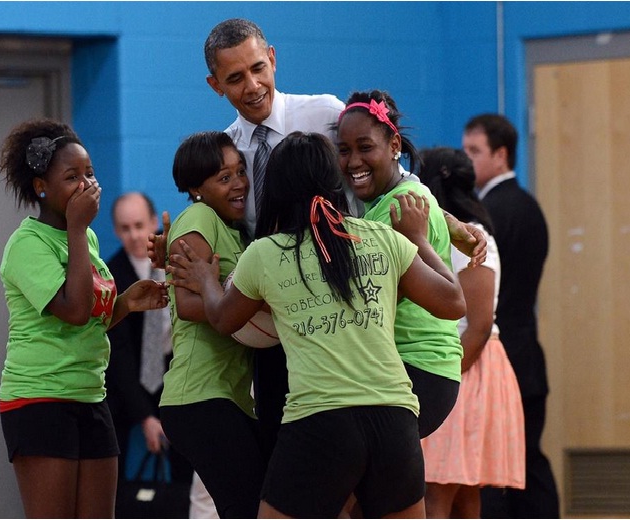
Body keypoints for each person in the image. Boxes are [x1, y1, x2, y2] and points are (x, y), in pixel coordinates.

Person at [195, 18, 486, 459]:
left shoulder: (325, 114)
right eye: (235, 78)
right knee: (289, 453)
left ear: (272, 59)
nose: (252, 85)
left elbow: (393, 178)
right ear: (216, 85)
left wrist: (453, 224)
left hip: (358, 319)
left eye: (258, 68)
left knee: (346, 460)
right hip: (285, 318)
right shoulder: (228, 151)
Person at [168, 131, 466, 518]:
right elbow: (453, 302)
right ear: (333, 182)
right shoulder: (382, 238)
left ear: (275, 188)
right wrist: (420, 240)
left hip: (320, 419)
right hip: (394, 419)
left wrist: (208, 282)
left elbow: (224, 319)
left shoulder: (265, 253)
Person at [0, 118, 169, 518]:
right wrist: (76, 228)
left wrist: (126, 303)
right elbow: (73, 311)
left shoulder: (86, 239)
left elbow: (92, 317)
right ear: (41, 187)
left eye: (89, 173)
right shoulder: (27, 244)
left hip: (90, 394)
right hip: (39, 398)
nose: (87, 184)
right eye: (72, 177)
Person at [336, 90, 475, 438]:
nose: (353, 161)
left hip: (416, 368)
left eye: (365, 147)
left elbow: (366, 298)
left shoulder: (401, 207)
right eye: (344, 150)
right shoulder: (388, 202)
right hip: (418, 369)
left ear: (394, 145)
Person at [158, 131, 265, 518]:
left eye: (240, 172)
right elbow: (187, 305)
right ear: (195, 188)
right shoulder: (199, 217)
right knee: (250, 509)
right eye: (224, 178)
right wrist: (259, 304)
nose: (239, 184)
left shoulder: (234, 228)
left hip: (227, 395)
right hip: (198, 396)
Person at [415, 147, 525, 518]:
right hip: (465, 364)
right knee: (460, 491)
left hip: (467, 364)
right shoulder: (458, 232)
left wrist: (441, 379)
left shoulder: (470, 237)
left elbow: (477, 327)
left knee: (439, 489)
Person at [462, 114, 559, 518]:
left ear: (500, 155)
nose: (467, 162)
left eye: (474, 152)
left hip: (503, 360)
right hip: (528, 357)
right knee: (528, 465)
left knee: (495, 475)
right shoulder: (529, 206)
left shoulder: (487, 216)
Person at [105, 192, 193, 497]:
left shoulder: (175, 261)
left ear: (154, 222)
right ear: (116, 230)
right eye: (125, 228)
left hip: (172, 374)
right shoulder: (111, 273)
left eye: (139, 225)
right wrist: (145, 416)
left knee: (187, 427)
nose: (134, 235)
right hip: (129, 382)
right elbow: (120, 355)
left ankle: (182, 505)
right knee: (108, 424)